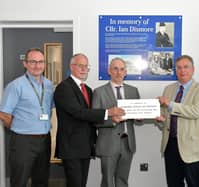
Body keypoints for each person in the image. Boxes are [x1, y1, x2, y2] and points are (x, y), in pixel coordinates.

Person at [54, 53, 124, 187]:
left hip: (85, 146)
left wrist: (112, 119)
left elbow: (92, 116)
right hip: (71, 147)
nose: (83, 69)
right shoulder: (64, 88)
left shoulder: (87, 89)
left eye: (86, 66)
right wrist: (109, 112)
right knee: (75, 184)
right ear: (71, 67)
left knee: (82, 183)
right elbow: (78, 112)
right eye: (80, 66)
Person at [0, 48, 53, 187]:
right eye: (33, 62)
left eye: (41, 62)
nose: (37, 65)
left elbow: (50, 108)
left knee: (41, 180)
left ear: (45, 64)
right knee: (19, 181)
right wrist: (19, 127)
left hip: (44, 140)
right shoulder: (15, 86)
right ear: (25, 64)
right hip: (23, 141)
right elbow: (4, 114)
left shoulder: (48, 85)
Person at [156, 55, 199, 187]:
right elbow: (165, 117)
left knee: (194, 183)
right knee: (173, 183)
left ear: (193, 70)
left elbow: (195, 112)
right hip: (171, 145)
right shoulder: (168, 89)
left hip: (191, 146)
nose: (182, 71)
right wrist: (160, 119)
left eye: (186, 67)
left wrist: (170, 104)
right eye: (179, 68)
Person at [92, 57, 141, 187]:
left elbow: (137, 115)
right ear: (109, 71)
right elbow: (95, 120)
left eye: (122, 69)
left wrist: (140, 117)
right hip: (108, 143)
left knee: (122, 180)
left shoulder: (133, 90)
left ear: (125, 72)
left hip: (128, 143)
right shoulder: (99, 92)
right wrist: (112, 121)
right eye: (115, 69)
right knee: (108, 181)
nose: (119, 73)